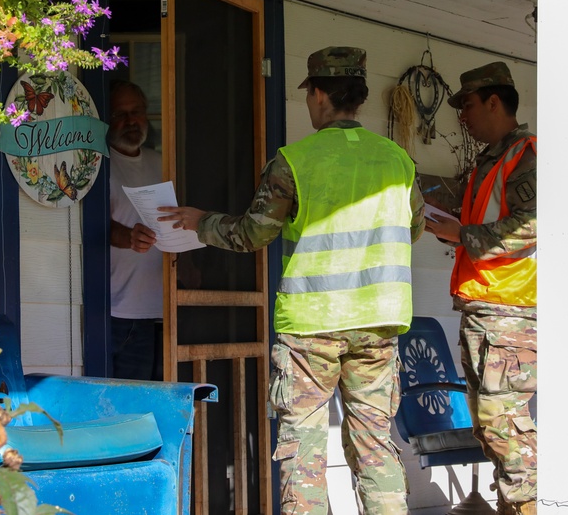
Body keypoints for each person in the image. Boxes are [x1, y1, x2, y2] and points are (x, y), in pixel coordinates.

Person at [158, 47, 425, 515]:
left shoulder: (295, 161)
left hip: (312, 328)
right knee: (375, 445)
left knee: (303, 453)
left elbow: (250, 234)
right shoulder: (398, 161)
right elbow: (415, 226)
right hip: (380, 324)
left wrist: (201, 221)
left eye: (310, 94)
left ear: (320, 94)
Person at [425, 61, 537, 515]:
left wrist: (461, 234)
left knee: (504, 427)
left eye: (467, 105)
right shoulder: (489, 161)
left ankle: (528, 507)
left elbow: (529, 229)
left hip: (509, 311)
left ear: (495, 101)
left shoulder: (525, 154)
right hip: (484, 308)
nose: (462, 117)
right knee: (490, 427)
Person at [107, 80, 164, 380]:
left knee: (158, 412)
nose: (130, 121)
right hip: (116, 312)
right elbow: (96, 226)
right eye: (120, 114)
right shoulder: (98, 165)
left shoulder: (164, 163)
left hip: (162, 312)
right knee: (121, 413)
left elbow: (176, 219)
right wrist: (129, 237)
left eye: (137, 112)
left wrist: (190, 266)